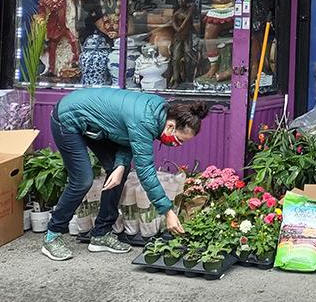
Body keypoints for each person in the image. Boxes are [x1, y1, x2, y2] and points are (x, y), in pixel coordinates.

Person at [40, 88, 210, 262]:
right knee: (82, 180)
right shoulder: (146, 120)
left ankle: (101, 234)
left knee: (119, 171)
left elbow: (127, 136)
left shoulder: (159, 113)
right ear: (171, 126)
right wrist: (168, 212)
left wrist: (120, 165)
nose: (177, 145)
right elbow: (146, 172)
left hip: (95, 124)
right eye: (179, 140)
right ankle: (52, 235)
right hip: (68, 119)